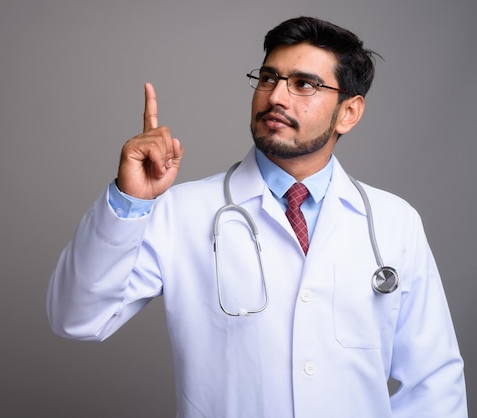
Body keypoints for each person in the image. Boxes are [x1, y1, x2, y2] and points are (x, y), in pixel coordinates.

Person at [47, 16, 467, 417]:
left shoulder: (394, 222)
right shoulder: (183, 211)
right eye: (269, 78)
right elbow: (76, 318)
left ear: (349, 112)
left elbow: (434, 383)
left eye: (304, 84)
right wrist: (129, 201)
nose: (277, 97)